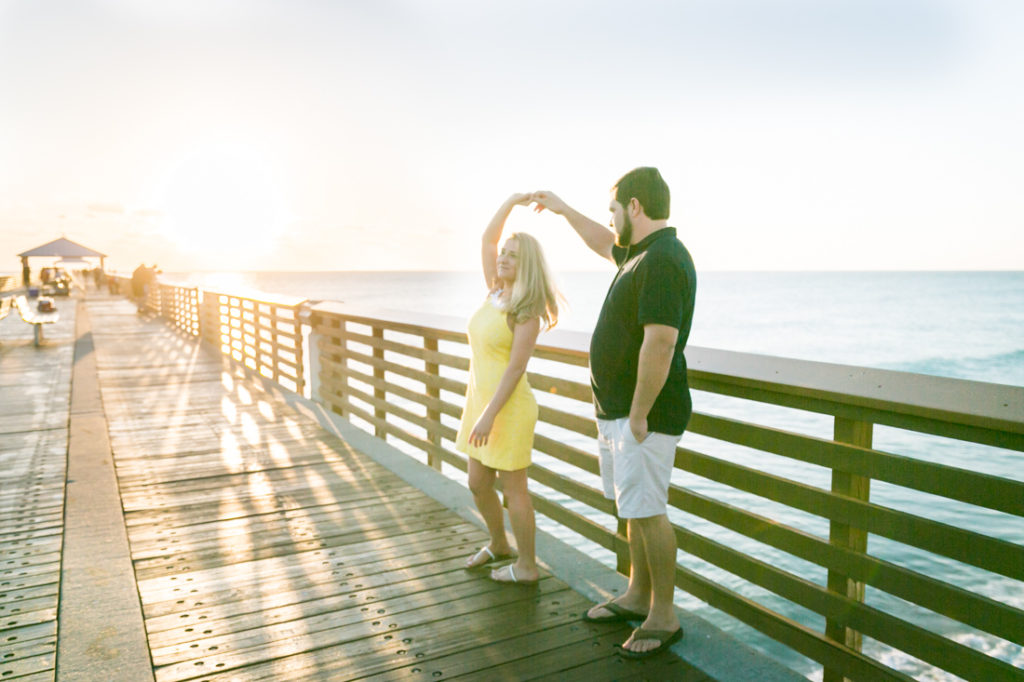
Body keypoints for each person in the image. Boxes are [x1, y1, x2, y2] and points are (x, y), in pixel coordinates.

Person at [532, 167, 696, 659]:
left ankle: (663, 616)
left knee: (649, 510)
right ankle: (636, 594)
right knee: (633, 507)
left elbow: (661, 340)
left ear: (635, 207)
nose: (612, 217)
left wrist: (641, 413)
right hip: (621, 411)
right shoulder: (640, 253)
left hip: (642, 414)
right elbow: (603, 241)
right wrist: (562, 210)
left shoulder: (664, 259)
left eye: (614, 208)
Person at [455, 193, 561, 586]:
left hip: (508, 408)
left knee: (514, 489)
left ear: (527, 264)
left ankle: (528, 566)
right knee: (478, 483)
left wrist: (489, 415)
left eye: (513, 255)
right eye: (505, 252)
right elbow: (486, 240)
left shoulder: (526, 309)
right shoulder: (494, 291)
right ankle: (500, 545)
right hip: (480, 403)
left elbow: (517, 368)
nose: (502, 257)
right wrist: (512, 202)